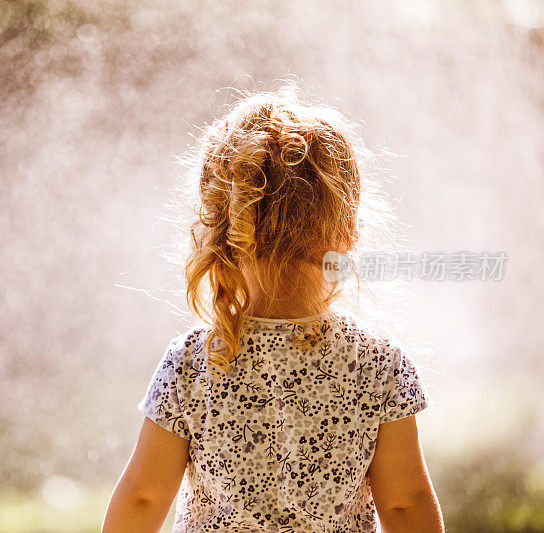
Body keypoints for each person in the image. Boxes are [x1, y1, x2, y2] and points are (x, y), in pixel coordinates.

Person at [102, 84, 444, 532]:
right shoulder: (377, 364)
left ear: (225, 235)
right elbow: (405, 505)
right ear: (347, 235)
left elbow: (144, 497)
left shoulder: (193, 362)